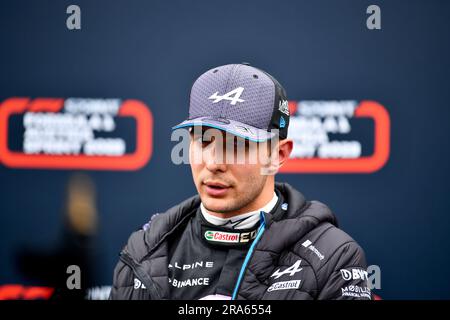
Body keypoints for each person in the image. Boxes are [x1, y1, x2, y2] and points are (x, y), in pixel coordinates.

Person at [110, 63, 372, 300]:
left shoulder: (333, 255)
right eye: (203, 141)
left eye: (236, 145)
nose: (214, 163)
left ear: (278, 155)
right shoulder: (144, 249)